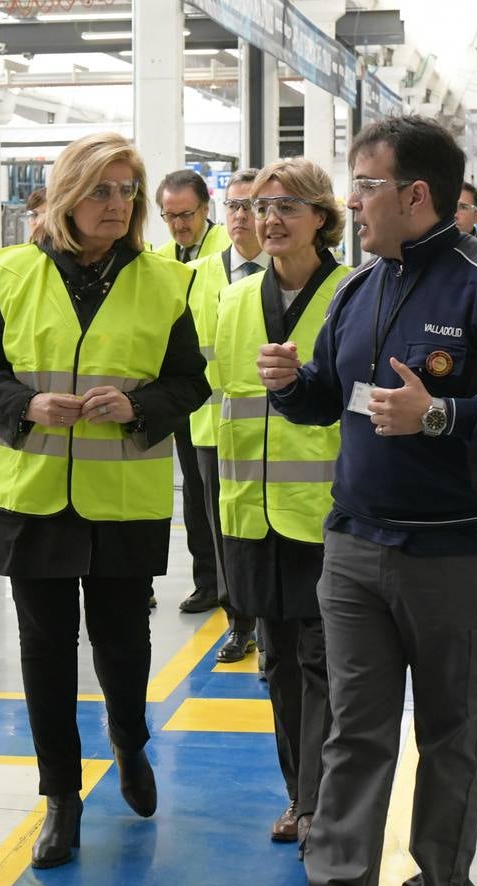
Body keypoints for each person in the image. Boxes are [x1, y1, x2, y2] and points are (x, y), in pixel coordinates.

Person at [257, 115, 477, 886]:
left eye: (365, 186)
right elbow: (333, 398)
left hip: (454, 555)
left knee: (450, 736)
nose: (351, 203)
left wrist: (442, 415)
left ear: (415, 194)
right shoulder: (359, 288)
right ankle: (337, 882)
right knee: (352, 733)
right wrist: (292, 386)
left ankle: (439, 884)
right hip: (355, 549)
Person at [0, 131, 209, 871]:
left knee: (123, 645)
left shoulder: (165, 282)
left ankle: (128, 741)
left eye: (128, 190)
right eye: (103, 189)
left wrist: (137, 410)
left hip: (121, 496)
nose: (118, 203)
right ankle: (60, 797)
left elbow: (189, 382)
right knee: (45, 650)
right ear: (69, 193)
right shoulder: (12, 273)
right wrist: (24, 407)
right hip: (31, 494)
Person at [217, 158, 349, 846]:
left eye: (287, 207)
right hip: (251, 511)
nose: (268, 219)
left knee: (323, 662)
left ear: (322, 219)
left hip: (330, 516)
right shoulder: (236, 300)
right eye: (260, 206)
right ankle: (302, 795)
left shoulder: (354, 294)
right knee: (277, 664)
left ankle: (317, 805)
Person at [183, 168, 266, 666]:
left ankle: (276, 625)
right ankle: (240, 624)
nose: (239, 216)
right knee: (227, 532)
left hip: (283, 431)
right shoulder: (198, 276)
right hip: (213, 428)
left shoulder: (296, 274)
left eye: (250, 206)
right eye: (232, 206)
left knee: (277, 530)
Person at [155, 168, 231, 614]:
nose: (179, 224)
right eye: (170, 216)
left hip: (223, 397)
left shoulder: (231, 253)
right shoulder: (161, 257)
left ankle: (235, 586)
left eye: (186, 214)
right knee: (195, 499)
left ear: (206, 209)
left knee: (225, 497)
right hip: (179, 396)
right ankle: (207, 580)